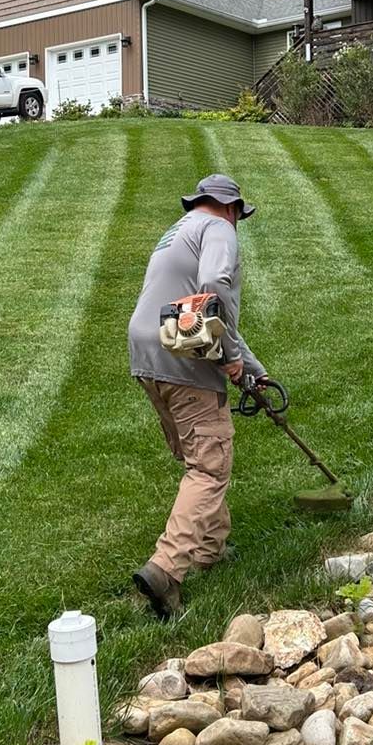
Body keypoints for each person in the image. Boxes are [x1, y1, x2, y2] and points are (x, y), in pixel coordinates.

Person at [128, 173, 267, 619]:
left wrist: (254, 373)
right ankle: (166, 570)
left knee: (203, 455)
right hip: (183, 355)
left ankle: (211, 548)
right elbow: (213, 284)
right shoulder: (219, 228)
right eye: (238, 217)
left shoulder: (179, 230)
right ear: (230, 208)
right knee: (209, 466)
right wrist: (227, 355)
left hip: (149, 350)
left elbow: (201, 309)